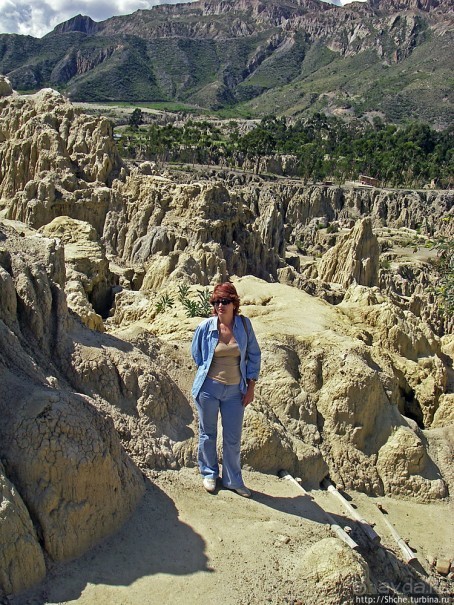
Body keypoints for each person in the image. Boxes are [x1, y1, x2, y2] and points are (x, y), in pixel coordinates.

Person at [191, 282, 261, 497]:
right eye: (216, 301)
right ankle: (209, 473)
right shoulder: (206, 327)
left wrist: (251, 386)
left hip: (234, 391)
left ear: (234, 303)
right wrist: (209, 374)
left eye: (225, 301)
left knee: (232, 437)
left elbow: (254, 356)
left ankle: (232, 480)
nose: (220, 305)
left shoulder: (244, 326)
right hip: (209, 389)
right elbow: (197, 354)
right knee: (207, 433)